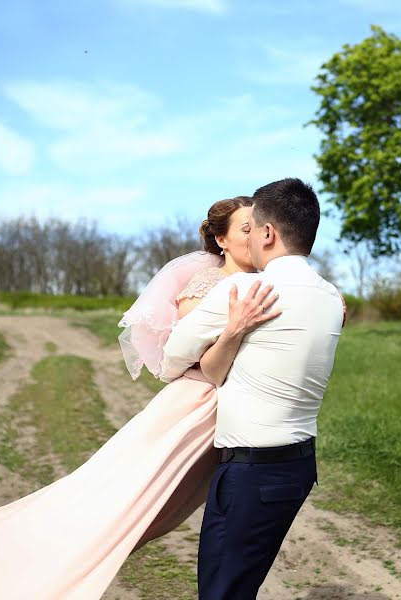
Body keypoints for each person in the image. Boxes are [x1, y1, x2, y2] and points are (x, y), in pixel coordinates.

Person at [0, 195, 280, 599]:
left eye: (259, 228)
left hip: (228, 412)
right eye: (244, 229)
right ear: (221, 241)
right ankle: (23, 573)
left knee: (162, 513)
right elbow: (189, 352)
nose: (254, 238)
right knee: (118, 506)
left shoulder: (269, 284)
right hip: (193, 407)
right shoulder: (206, 285)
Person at [159, 177, 345, 599]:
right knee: (240, 583)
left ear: (268, 233)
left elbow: (171, 356)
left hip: (250, 473)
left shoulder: (243, 289)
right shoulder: (332, 298)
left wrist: (227, 333)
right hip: (299, 469)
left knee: (221, 591)